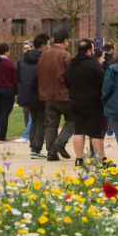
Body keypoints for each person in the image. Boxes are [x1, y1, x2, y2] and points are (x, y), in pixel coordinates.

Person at [64, 39, 107, 167]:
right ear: (89, 51)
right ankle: (101, 160)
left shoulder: (71, 64)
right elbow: (103, 80)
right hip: (92, 102)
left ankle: (78, 159)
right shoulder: (93, 64)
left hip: (75, 101)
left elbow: (66, 80)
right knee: (95, 132)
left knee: (78, 130)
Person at [37, 28, 73, 161]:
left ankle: (51, 153)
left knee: (51, 124)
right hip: (63, 94)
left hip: (47, 94)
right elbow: (69, 75)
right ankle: (60, 143)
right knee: (73, 119)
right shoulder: (65, 55)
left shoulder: (44, 54)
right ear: (65, 41)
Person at [18, 34, 49, 159]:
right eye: (48, 44)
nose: (49, 47)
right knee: (40, 121)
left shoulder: (22, 61)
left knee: (34, 119)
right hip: (39, 94)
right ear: (42, 46)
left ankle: (33, 146)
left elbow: (18, 78)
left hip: (26, 94)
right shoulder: (43, 59)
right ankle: (36, 149)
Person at [14, 39, 34, 144]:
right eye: (24, 48)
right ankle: (29, 133)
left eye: (28, 48)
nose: (26, 50)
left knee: (32, 114)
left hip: (32, 91)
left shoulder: (36, 60)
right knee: (26, 113)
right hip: (24, 90)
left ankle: (28, 135)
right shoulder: (21, 62)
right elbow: (18, 77)